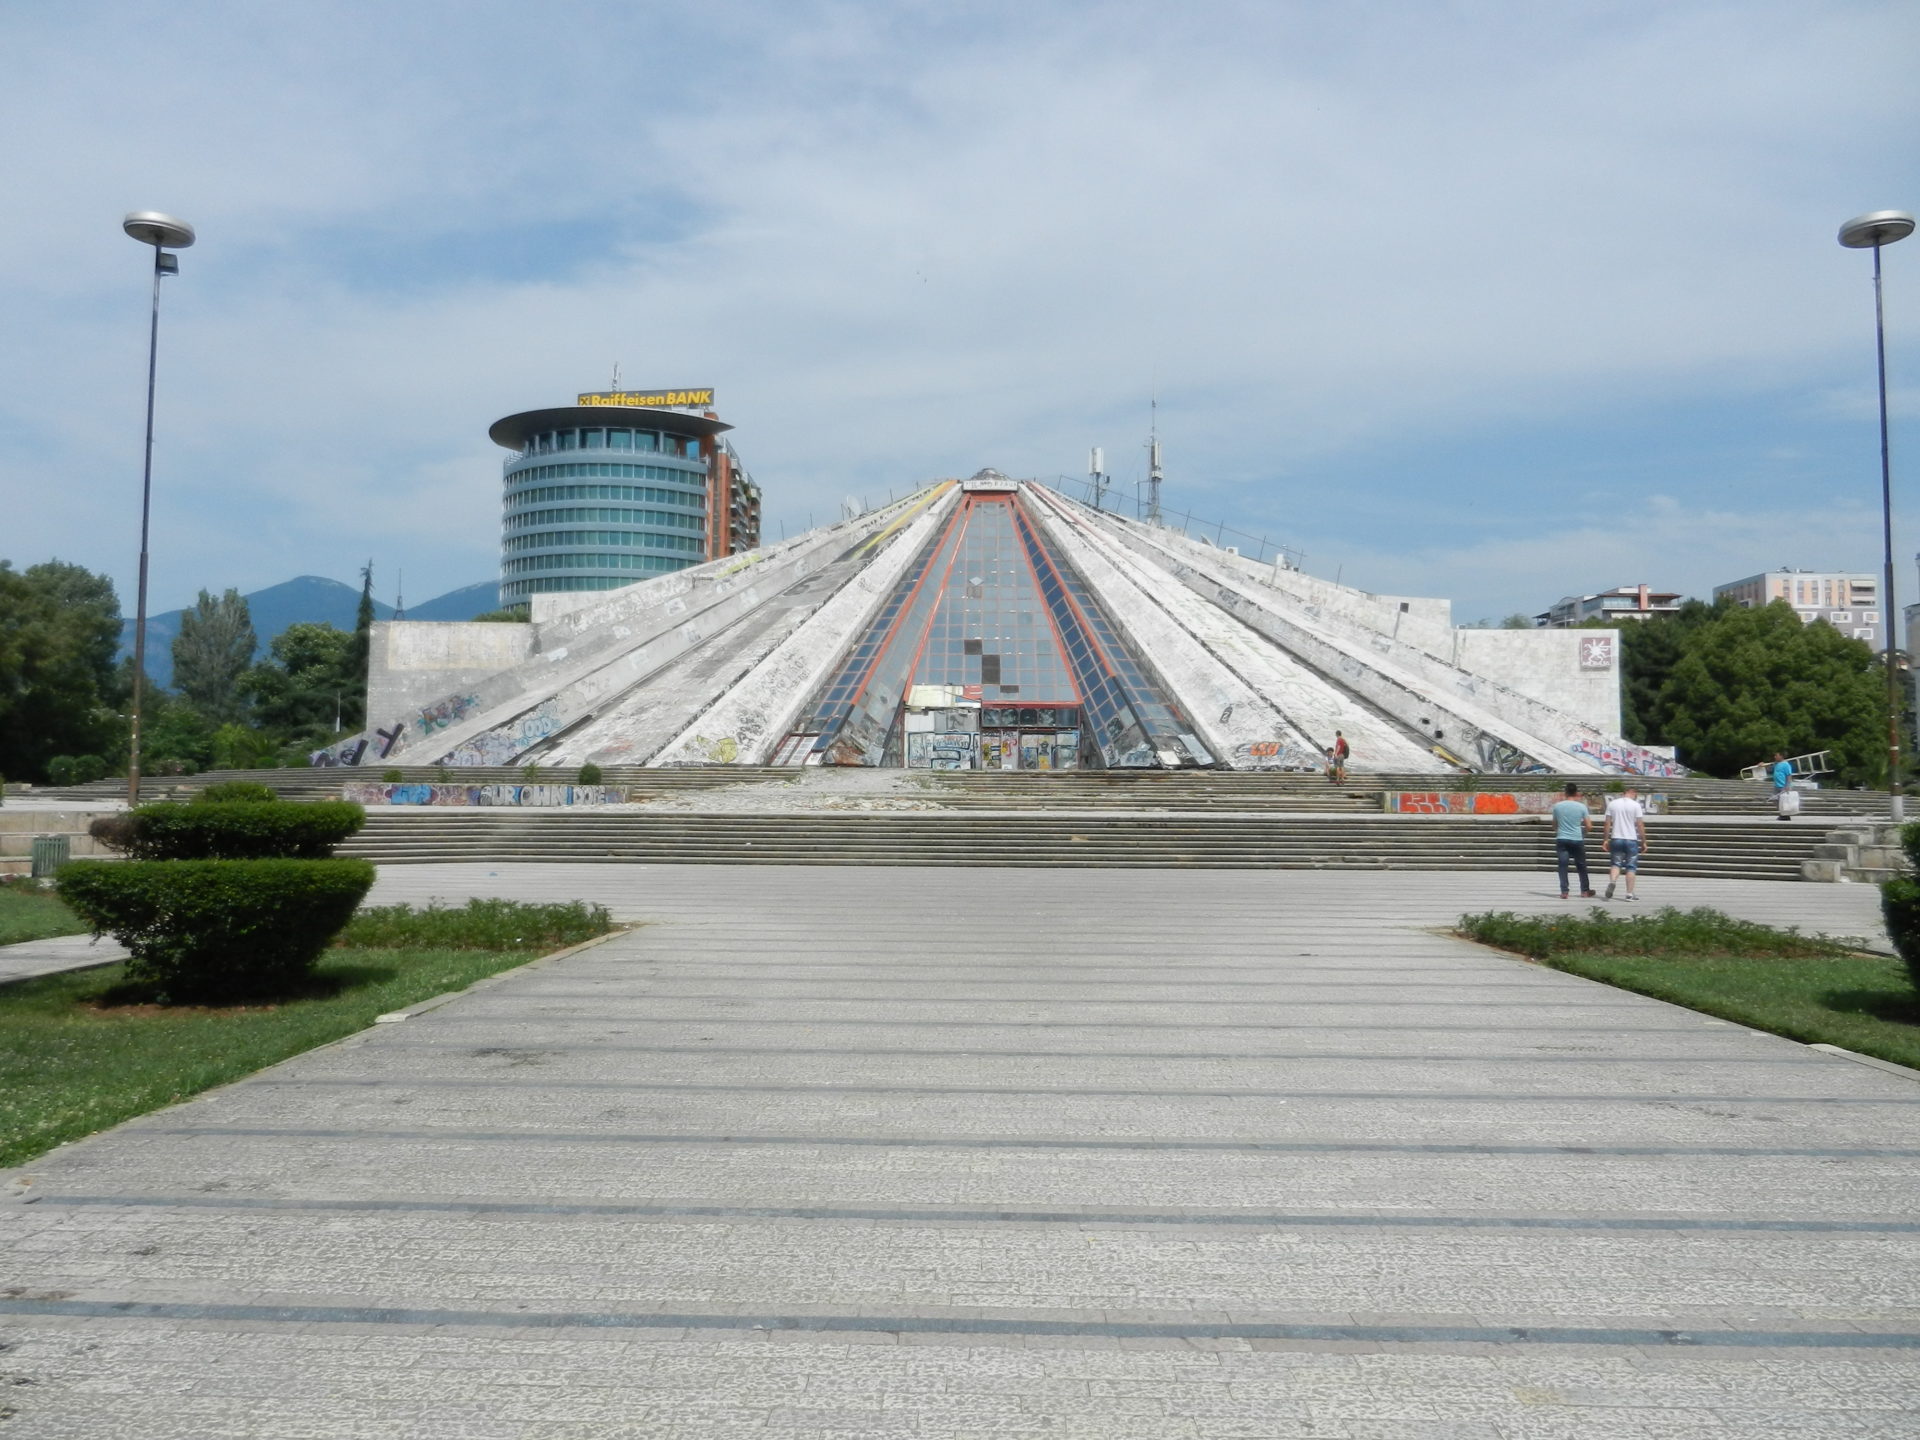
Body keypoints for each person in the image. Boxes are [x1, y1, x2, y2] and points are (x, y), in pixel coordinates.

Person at [1551, 782, 1597, 900]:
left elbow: (1554, 825)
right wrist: (1583, 833)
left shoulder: (1557, 806)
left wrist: (1560, 831)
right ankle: (1585, 891)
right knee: (1581, 865)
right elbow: (1589, 826)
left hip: (1562, 838)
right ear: (1576, 793)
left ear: (1565, 793)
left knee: (1562, 865)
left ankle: (1564, 891)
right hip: (1577, 839)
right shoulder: (1581, 807)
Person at [1604, 784, 1647, 901]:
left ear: (1624, 793)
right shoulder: (1636, 805)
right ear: (1633, 793)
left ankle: (1612, 881)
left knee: (1615, 864)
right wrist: (1644, 841)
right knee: (1631, 867)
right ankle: (1629, 894)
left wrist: (1605, 839)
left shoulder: (1612, 804)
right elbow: (1639, 824)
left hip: (1616, 838)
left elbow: (1607, 823)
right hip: (1631, 839)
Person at [1770, 751, 1797, 822]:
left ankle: (1785, 815)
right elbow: (1769, 768)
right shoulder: (1776, 764)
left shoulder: (1786, 764)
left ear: (1781, 756)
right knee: (1774, 799)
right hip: (1776, 785)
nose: (1775, 757)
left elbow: (1789, 775)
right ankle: (1783, 814)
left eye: (1776, 755)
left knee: (1784, 802)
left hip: (1783, 786)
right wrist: (1761, 765)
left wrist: (1787, 785)